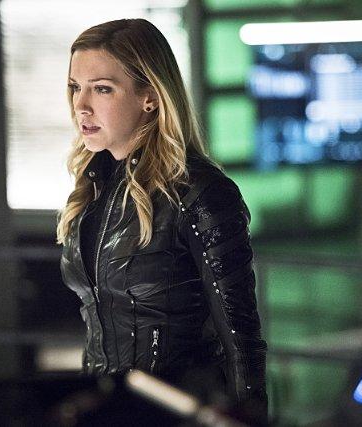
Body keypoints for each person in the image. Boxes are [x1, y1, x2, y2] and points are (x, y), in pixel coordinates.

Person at [56, 18, 267, 421]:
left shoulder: (198, 191)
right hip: (109, 410)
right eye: (75, 87)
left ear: (150, 97)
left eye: (102, 88)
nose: (81, 105)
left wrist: (247, 418)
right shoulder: (94, 188)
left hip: (176, 412)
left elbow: (241, 339)